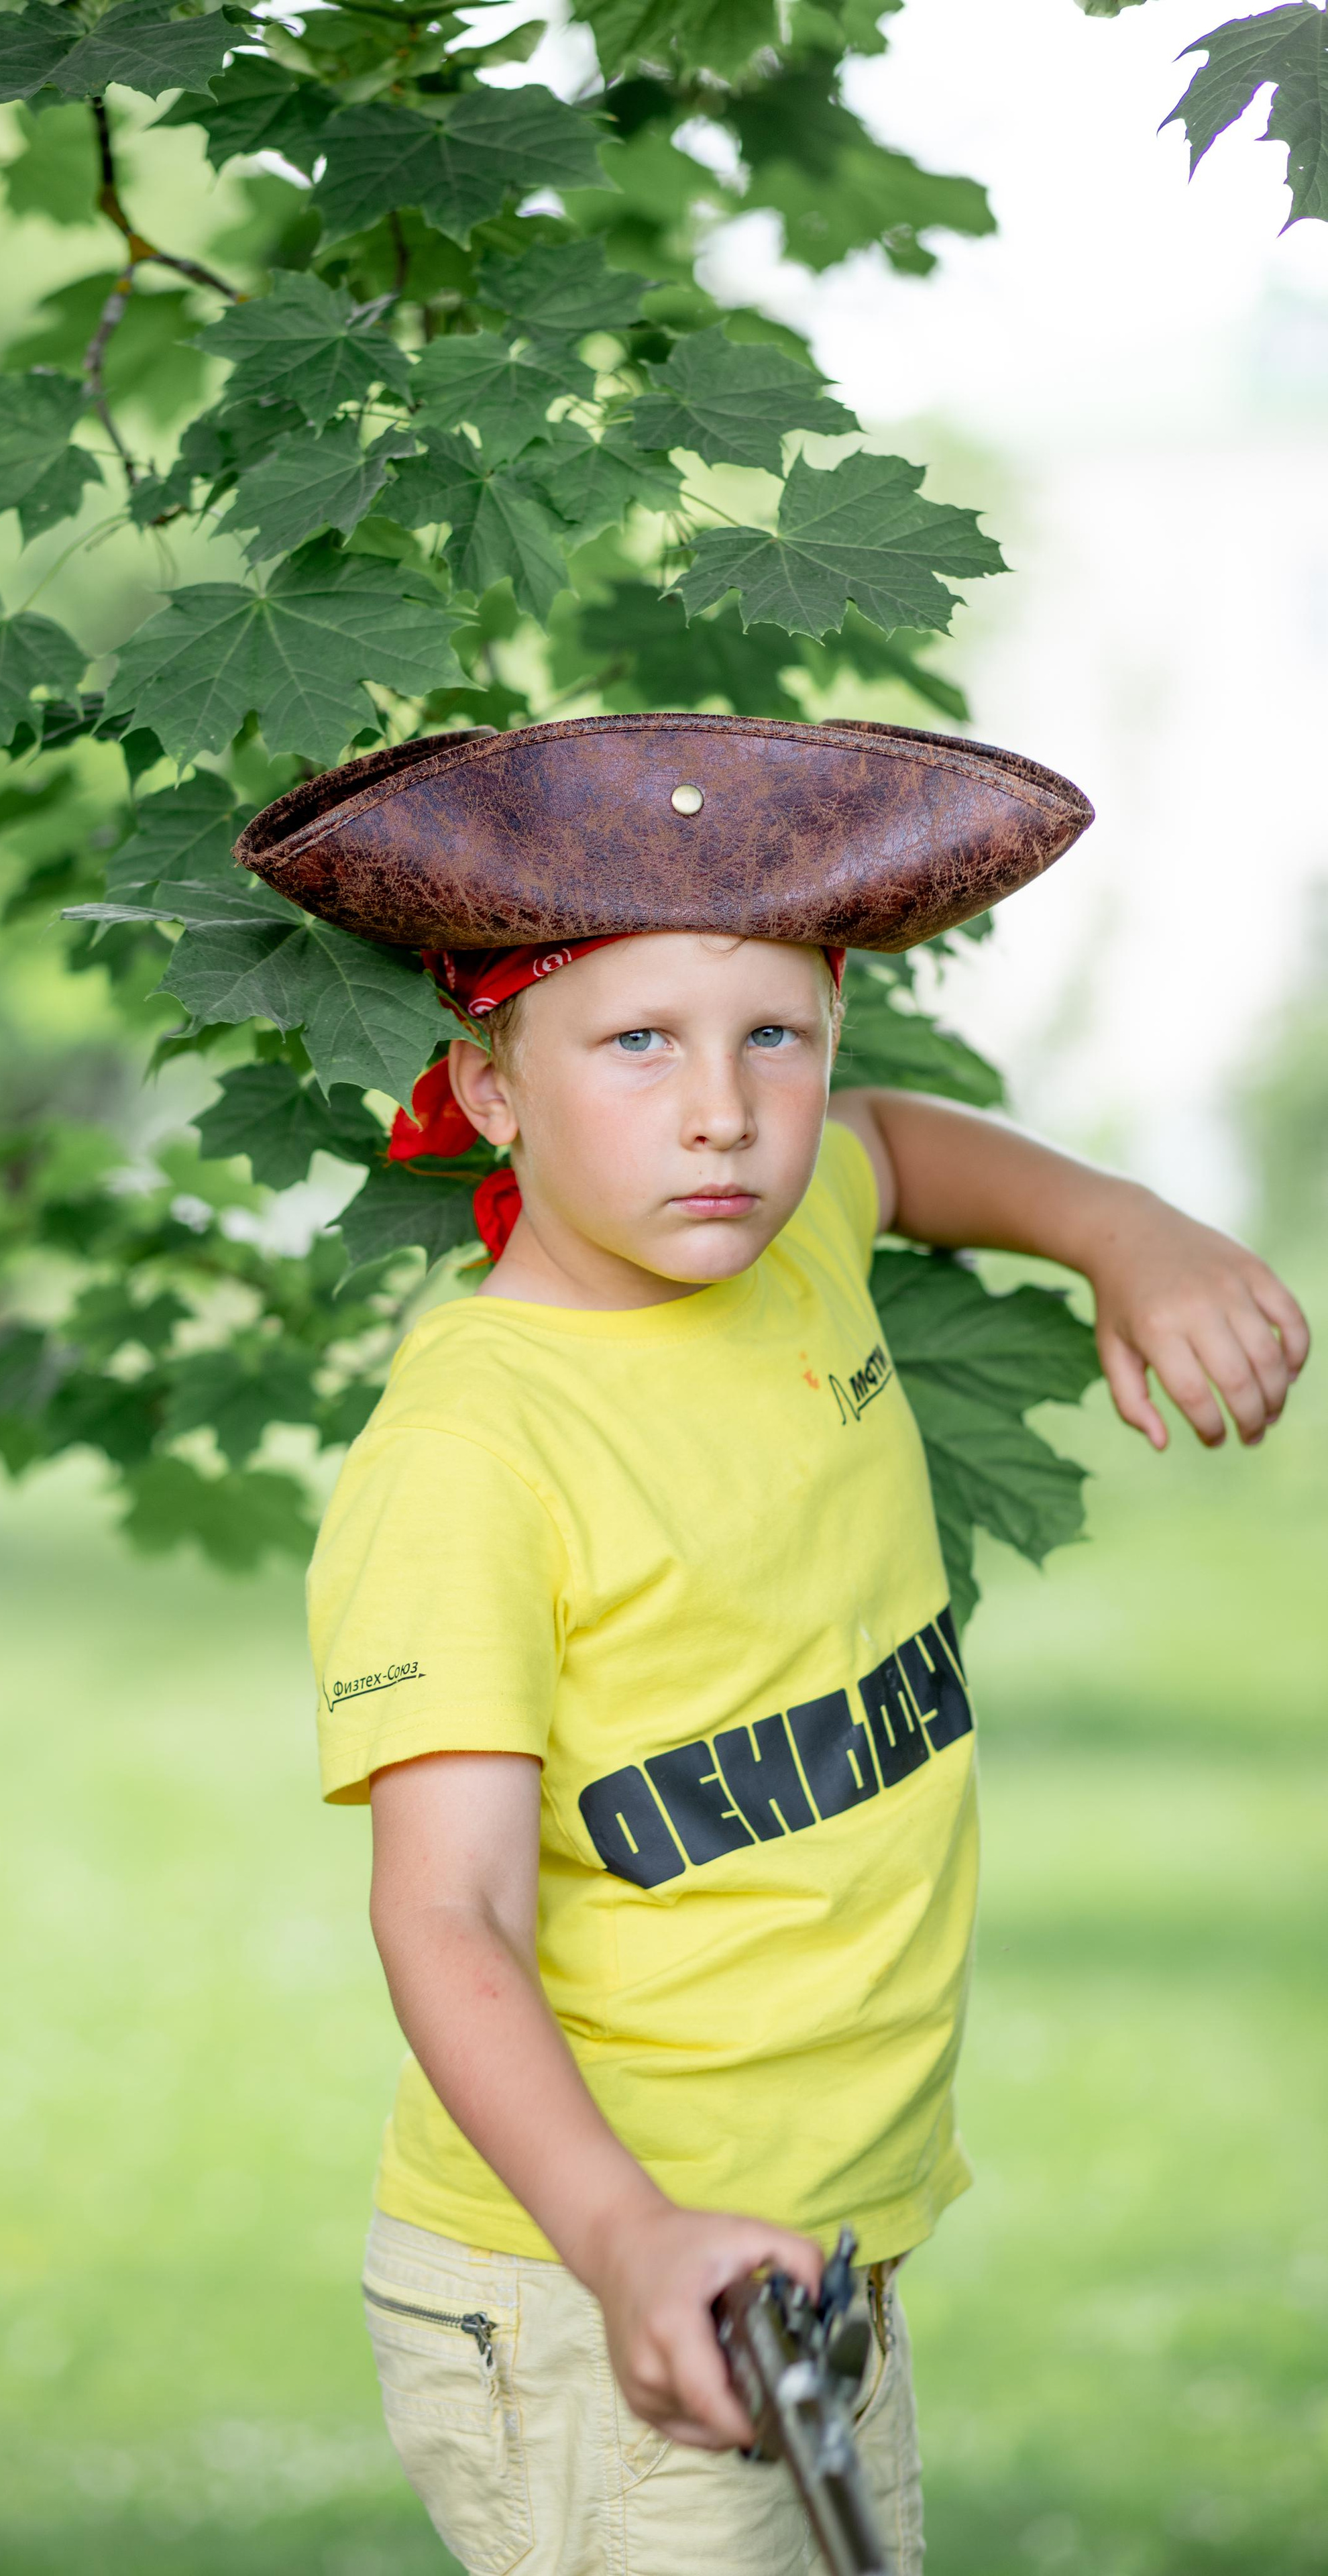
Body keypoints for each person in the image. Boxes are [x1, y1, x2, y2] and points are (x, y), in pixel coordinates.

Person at [237, 716, 1310, 2576]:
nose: (724, 1111)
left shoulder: (788, 1241)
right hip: (605, 2289)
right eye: (637, 1043)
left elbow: (890, 1146)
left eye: (775, 1037)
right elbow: (449, 1912)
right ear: (489, 1089)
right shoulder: (475, 1454)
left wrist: (1121, 1228)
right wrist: (623, 2236)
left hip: (817, 2254)